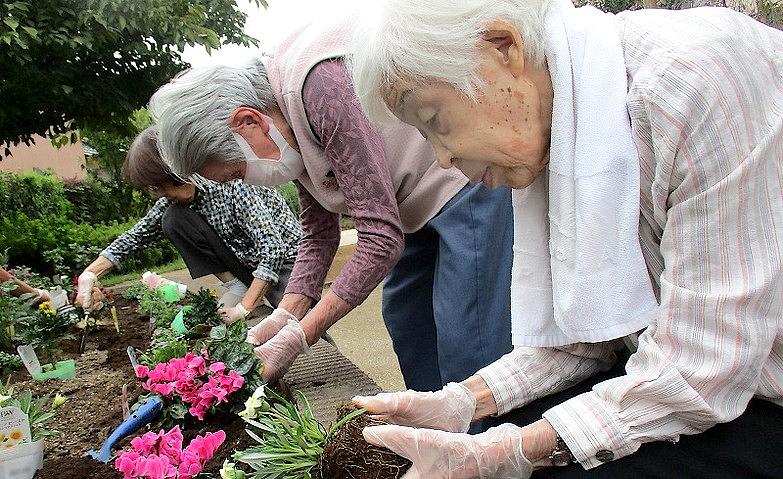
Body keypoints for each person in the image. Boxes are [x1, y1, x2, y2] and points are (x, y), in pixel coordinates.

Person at [347, 0, 783, 477]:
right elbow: (592, 335)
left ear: (503, 47)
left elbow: (706, 368)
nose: (443, 158)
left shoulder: (692, 81)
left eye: (435, 120)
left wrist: (506, 452)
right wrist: (464, 401)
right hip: (707, 377)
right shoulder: (554, 116)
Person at [146, 15, 515, 393]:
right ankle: (437, 432)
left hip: (460, 186)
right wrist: (285, 314)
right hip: (409, 211)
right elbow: (319, 232)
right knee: (408, 322)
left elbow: (379, 239)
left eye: (236, 172)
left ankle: (489, 440)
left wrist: (300, 336)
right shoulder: (283, 121)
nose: (245, 181)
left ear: (247, 122)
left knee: (467, 338)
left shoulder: (320, 86)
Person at [75, 127, 302, 323]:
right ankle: (237, 286)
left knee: (296, 320)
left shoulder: (229, 181)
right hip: (246, 262)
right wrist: (89, 275)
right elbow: (136, 237)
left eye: (163, 186)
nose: (162, 196)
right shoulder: (175, 200)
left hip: (287, 261)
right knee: (173, 219)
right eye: (156, 190)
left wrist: (243, 309)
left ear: (179, 173)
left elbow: (273, 250)